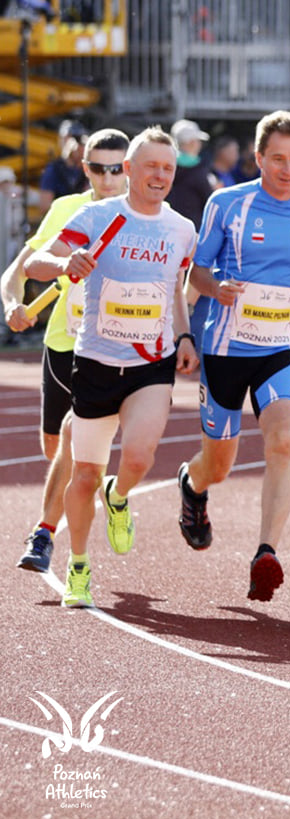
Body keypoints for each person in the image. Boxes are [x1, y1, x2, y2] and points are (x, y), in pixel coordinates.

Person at [23, 126, 199, 608]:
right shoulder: (98, 215)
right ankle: (79, 566)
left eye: (168, 167)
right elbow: (36, 262)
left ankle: (118, 496)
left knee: (140, 458)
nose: (160, 175)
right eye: (151, 166)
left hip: (151, 363)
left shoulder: (182, 228)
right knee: (82, 475)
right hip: (96, 362)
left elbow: (177, 288)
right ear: (129, 170)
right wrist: (64, 265)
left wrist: (184, 336)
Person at [177, 110, 290, 602]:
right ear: (259, 157)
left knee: (284, 443)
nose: (288, 169)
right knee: (218, 464)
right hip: (224, 347)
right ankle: (192, 486)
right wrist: (216, 287)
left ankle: (266, 552)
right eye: (278, 159)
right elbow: (196, 273)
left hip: (280, 348)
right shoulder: (227, 204)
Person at [2, 128, 130, 573]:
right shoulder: (66, 209)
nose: (109, 178)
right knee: (55, 446)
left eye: (117, 168)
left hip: (114, 348)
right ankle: (106, 492)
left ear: (129, 168)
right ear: (85, 167)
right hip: (63, 342)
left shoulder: (150, 215)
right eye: (99, 168)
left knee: (76, 442)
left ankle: (44, 535)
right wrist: (13, 304)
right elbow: (16, 272)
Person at [166, 119, 216, 230]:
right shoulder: (199, 171)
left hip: (168, 226)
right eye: (197, 141)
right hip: (192, 229)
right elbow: (209, 201)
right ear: (191, 142)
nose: (199, 144)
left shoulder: (166, 166)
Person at [37, 121, 88, 216]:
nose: (76, 146)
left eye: (79, 140)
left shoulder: (87, 169)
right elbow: (44, 206)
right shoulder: (53, 170)